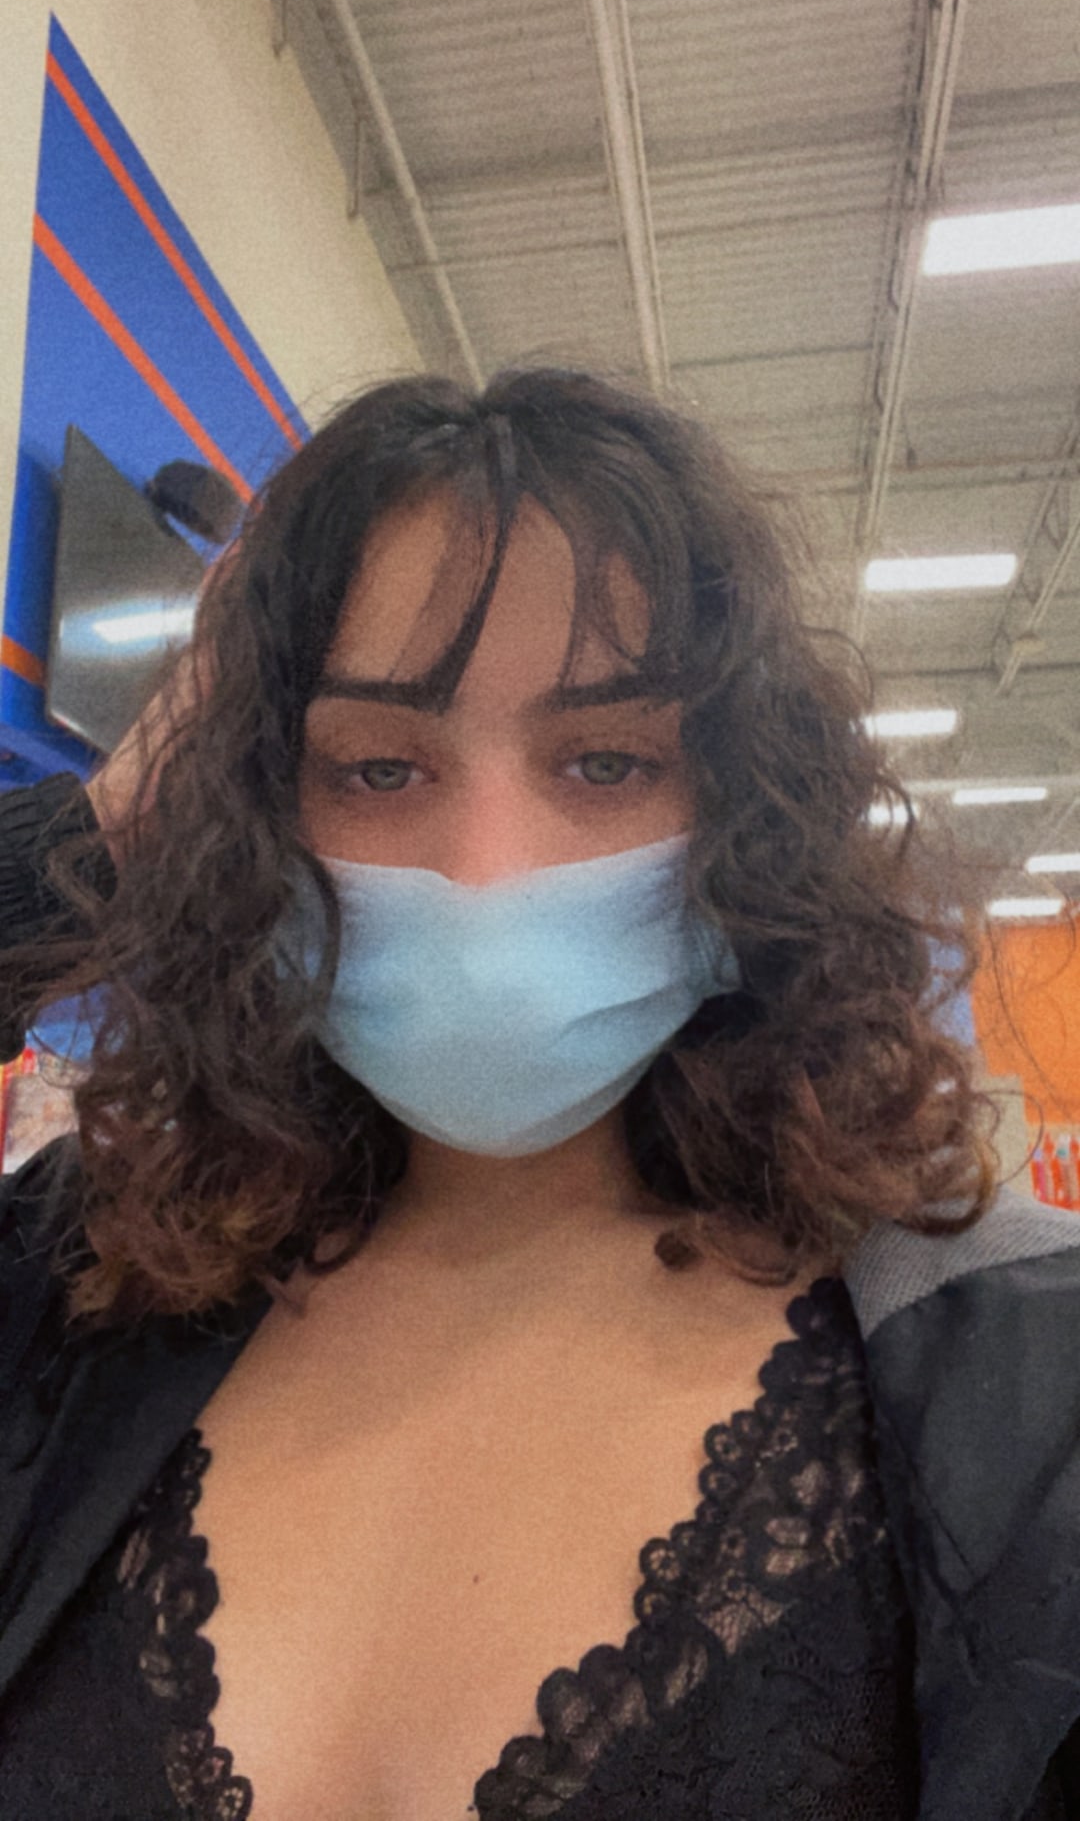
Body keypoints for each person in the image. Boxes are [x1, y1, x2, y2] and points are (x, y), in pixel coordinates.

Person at [0, 366, 1078, 1821]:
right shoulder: (83, 1275)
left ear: (749, 818)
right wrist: (98, 832)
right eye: (377, 768)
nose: (487, 870)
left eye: (609, 760)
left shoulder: (1024, 1383)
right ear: (253, 819)